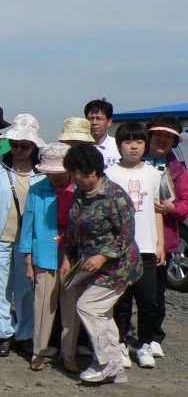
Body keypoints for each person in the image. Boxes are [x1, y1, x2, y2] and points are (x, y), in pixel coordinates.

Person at [61, 143, 141, 384]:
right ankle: (115, 364)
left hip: (118, 267)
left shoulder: (116, 197)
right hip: (89, 266)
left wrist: (103, 256)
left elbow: (125, 236)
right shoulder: (79, 194)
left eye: (75, 172)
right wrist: (68, 257)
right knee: (102, 314)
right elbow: (74, 230)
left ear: (92, 171)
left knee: (88, 307)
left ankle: (104, 362)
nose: (73, 177)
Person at [0, 114, 45, 357]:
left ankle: (25, 333)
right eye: (15, 144)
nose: (19, 149)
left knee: (26, 287)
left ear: (34, 146)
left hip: (28, 241)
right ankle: (2, 334)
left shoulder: (42, 171)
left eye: (25, 145)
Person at [106, 122, 164, 369]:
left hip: (147, 247)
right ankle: (118, 345)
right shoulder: (110, 174)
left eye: (139, 142)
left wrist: (160, 242)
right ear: (119, 145)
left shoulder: (154, 173)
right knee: (121, 300)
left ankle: (144, 344)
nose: (134, 147)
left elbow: (158, 210)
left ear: (145, 145)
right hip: (119, 248)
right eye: (128, 142)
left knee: (149, 300)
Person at [18, 142, 80, 372]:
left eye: (58, 172)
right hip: (43, 253)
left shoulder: (79, 189)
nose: (53, 177)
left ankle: (69, 354)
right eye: (49, 172)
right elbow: (28, 226)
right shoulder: (36, 189)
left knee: (70, 306)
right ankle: (39, 352)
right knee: (43, 304)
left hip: (73, 254)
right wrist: (27, 259)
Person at [145, 114, 188, 357]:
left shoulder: (178, 170)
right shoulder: (134, 161)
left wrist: (173, 209)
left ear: (174, 142)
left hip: (165, 239)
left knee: (156, 293)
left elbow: (185, 204)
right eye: (158, 134)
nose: (162, 140)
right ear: (149, 135)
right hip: (133, 238)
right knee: (127, 291)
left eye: (168, 137)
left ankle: (153, 335)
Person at [84, 98, 120, 168]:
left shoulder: (118, 146)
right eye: (91, 119)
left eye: (99, 119)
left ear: (109, 122)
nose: (94, 123)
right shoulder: (81, 148)